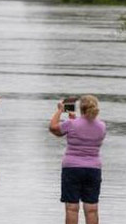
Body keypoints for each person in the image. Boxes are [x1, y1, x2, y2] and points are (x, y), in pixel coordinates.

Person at [49, 95, 107, 224]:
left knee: (72, 208)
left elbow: (53, 128)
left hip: (72, 169)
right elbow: (86, 130)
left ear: (81, 107)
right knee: (92, 209)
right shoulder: (102, 126)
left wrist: (59, 110)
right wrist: (74, 121)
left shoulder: (71, 124)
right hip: (93, 169)